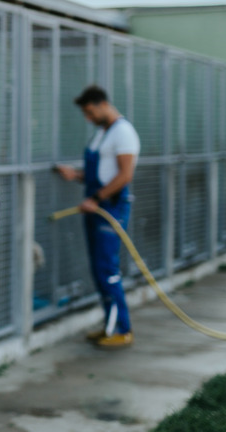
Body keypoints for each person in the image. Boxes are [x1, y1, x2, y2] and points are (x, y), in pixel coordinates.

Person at [55, 85, 140, 348]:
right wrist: (76, 175)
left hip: (109, 209)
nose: (88, 118)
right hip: (96, 206)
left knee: (108, 270)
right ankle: (110, 325)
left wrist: (96, 199)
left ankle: (122, 329)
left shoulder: (123, 133)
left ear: (102, 104)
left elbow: (124, 176)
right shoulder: (102, 134)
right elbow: (101, 173)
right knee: (99, 269)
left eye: (90, 112)